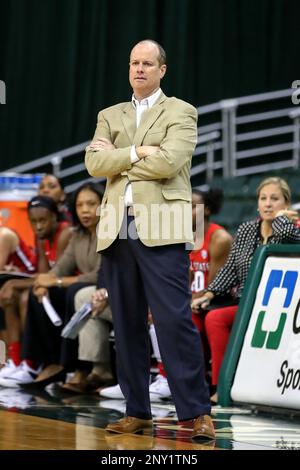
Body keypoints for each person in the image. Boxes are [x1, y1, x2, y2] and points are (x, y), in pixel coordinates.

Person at [85, 39, 215, 440]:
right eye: (133, 63)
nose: (139, 69)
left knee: (175, 320)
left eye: (147, 63)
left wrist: (120, 158)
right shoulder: (110, 114)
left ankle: (196, 414)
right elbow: (94, 163)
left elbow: (170, 162)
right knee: (125, 324)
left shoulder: (181, 111)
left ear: (162, 70)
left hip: (161, 224)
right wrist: (140, 150)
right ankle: (137, 410)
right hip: (116, 228)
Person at [192, 177, 300, 403]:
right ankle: (213, 384)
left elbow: (288, 238)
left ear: (286, 204)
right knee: (200, 314)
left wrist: (281, 220)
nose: (268, 204)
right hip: (244, 301)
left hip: (279, 307)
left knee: (216, 318)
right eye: (263, 199)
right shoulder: (247, 229)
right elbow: (231, 267)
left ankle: (224, 384)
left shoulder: (293, 229)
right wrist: (209, 294)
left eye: (274, 199)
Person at [0, 183, 103, 388]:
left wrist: (53, 281)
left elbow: (100, 275)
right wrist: (42, 281)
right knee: (36, 292)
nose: (85, 210)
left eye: (91, 204)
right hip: (79, 289)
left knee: (67, 293)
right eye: (80, 205)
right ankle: (31, 361)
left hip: (94, 290)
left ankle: (61, 365)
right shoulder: (79, 236)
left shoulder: (106, 234)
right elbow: (60, 267)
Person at [0, 196, 72, 382]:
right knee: (8, 295)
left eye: (43, 221)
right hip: (48, 285)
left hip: (67, 287)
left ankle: (32, 362)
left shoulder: (64, 234)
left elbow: (53, 276)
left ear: (55, 218)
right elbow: (42, 274)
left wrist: (14, 283)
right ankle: (16, 361)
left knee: (24, 297)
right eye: (33, 222)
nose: (38, 226)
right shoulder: (41, 238)